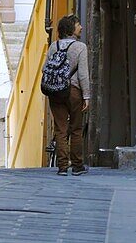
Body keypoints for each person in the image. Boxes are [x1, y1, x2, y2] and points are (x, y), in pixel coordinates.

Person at [47, 14, 90, 175]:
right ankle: (77, 166)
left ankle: (62, 166)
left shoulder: (54, 46)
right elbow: (83, 75)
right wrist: (86, 96)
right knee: (76, 129)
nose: (81, 28)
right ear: (71, 28)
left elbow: (47, 68)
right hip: (73, 91)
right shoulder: (80, 47)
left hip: (56, 91)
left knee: (60, 129)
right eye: (78, 25)